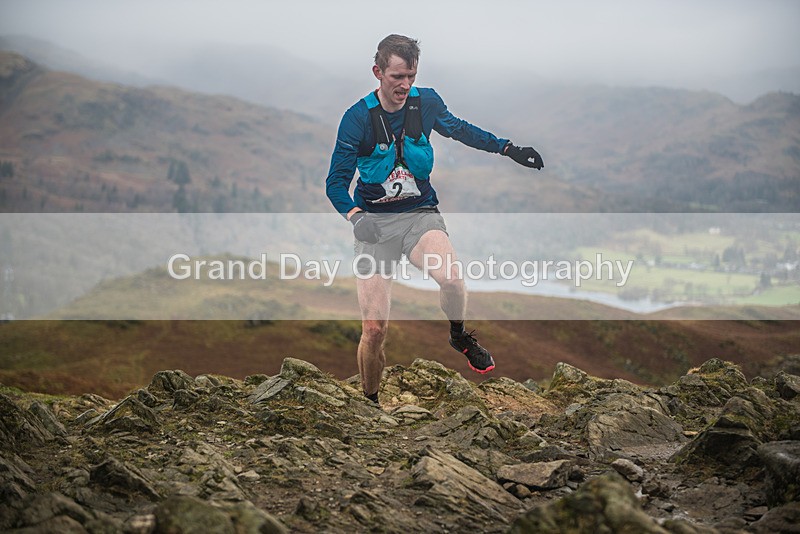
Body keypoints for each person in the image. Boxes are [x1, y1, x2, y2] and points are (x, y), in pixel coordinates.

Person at [325, 34, 544, 406]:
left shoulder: (425, 103)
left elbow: (460, 130)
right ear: (378, 72)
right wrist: (355, 215)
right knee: (375, 329)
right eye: (397, 76)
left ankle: (459, 335)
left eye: (411, 75)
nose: (404, 85)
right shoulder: (357, 119)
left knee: (453, 279)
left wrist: (508, 149)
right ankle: (371, 402)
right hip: (374, 226)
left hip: (419, 215)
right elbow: (335, 182)